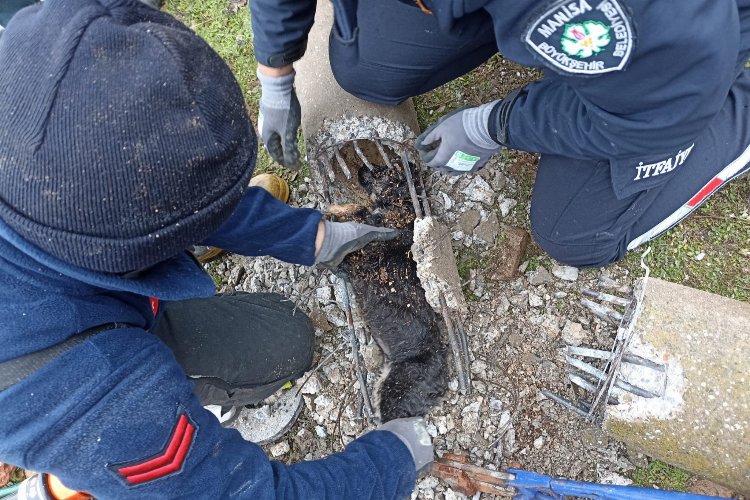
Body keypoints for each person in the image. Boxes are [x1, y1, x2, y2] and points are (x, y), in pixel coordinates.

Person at [0, 1, 432, 498]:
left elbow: (153, 193)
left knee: (281, 331)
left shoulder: (34, 104)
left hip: (72, 303)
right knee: (283, 348)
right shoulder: (89, 391)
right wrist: (394, 459)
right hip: (55, 371)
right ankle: (199, 416)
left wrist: (312, 237)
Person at [250, 0, 750, 268]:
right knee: (367, 70)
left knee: (576, 234)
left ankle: (738, 110)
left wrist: (492, 124)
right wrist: (275, 67)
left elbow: (652, 112)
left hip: (686, 53)